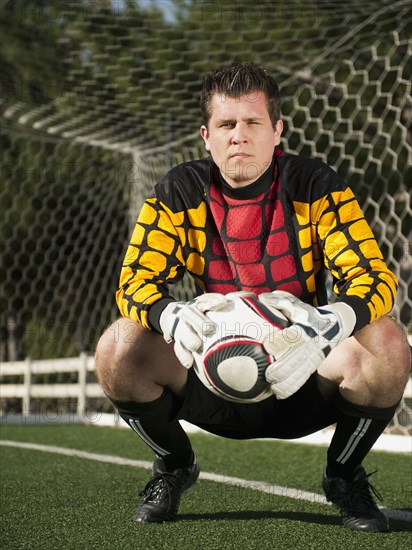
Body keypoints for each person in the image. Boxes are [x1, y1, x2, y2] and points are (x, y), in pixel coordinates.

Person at [95, 62, 410, 531]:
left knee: (388, 342)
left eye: (252, 122)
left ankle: (344, 477)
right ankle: (175, 465)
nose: (238, 136)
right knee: (118, 345)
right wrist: (170, 317)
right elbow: (133, 284)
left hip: (301, 375)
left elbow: (375, 278)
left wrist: (329, 323)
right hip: (210, 381)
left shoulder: (315, 185)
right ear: (206, 135)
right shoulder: (180, 191)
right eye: (226, 124)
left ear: (277, 130)